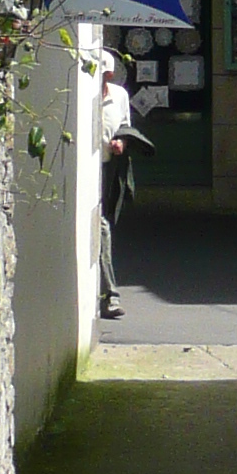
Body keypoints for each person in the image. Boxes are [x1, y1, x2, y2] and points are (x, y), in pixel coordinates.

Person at [98, 51, 134, 318]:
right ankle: (110, 294)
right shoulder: (84, 97)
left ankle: (106, 293)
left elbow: (124, 126)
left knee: (104, 225)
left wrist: (121, 142)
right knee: (102, 229)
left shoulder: (119, 95)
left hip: (108, 168)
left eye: (102, 76)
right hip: (88, 169)